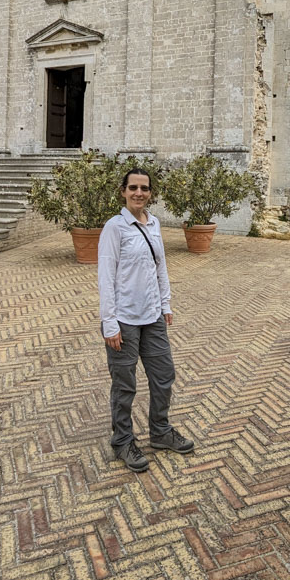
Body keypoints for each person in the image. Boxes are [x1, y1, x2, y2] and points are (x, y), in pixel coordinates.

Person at [98, 169, 194, 472]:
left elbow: (160, 266)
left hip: (152, 316)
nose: (139, 193)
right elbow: (105, 277)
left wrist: (165, 303)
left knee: (164, 375)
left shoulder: (153, 224)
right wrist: (109, 323)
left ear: (150, 193)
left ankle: (161, 432)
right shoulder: (115, 228)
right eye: (133, 188)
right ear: (123, 191)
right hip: (124, 320)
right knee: (125, 385)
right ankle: (123, 441)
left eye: (144, 188)